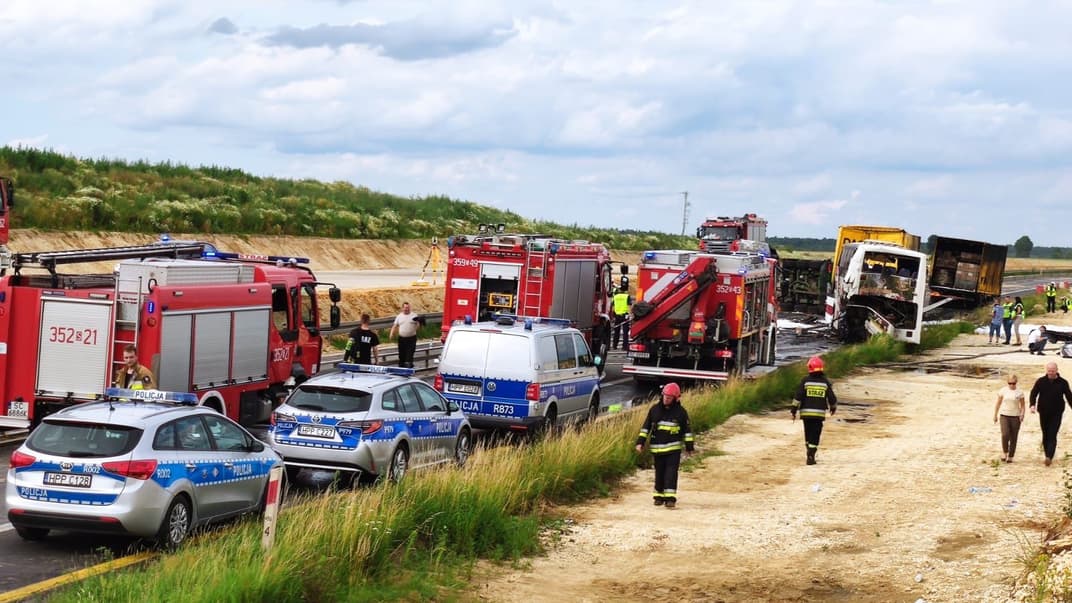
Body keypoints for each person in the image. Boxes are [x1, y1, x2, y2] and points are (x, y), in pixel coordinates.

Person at [635, 382, 694, 508]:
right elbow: (646, 428)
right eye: (665, 396)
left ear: (675, 398)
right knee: (659, 473)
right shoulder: (654, 410)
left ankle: (670, 499)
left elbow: (687, 431)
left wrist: (689, 447)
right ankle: (658, 496)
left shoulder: (681, 412)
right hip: (657, 449)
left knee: (671, 473)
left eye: (669, 397)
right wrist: (640, 442)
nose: (666, 399)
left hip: (673, 449)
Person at [791, 356, 838, 465]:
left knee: (808, 432)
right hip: (818, 415)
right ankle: (811, 454)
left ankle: (808, 448)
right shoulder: (825, 382)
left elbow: (798, 396)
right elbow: (832, 397)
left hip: (806, 414)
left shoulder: (805, 381)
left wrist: (793, 409)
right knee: (815, 433)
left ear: (810, 368)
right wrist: (833, 407)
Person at [1029, 362, 1072, 466]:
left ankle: (1049, 456)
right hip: (1043, 412)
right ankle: (1047, 454)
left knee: (1052, 434)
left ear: (1057, 370)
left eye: (1053, 371)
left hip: (1057, 412)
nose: (1051, 373)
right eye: (1049, 371)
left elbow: (1069, 396)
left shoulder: (1063, 382)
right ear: (1046, 371)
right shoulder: (1041, 381)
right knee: (1045, 434)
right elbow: (1033, 393)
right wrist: (1032, 405)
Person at [993, 373, 1026, 462]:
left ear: (1016, 382)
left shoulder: (1020, 392)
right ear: (1007, 382)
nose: (1011, 385)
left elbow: (1023, 405)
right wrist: (995, 415)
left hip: (1015, 416)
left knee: (1013, 437)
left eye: (1013, 383)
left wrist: (1022, 414)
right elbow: (998, 403)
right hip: (1004, 415)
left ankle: (1011, 455)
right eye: (1010, 383)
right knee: (1005, 434)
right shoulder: (1003, 391)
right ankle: (1005, 452)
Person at [389, 302, 420, 368]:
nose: (407, 309)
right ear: (402, 308)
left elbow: (418, 326)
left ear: (410, 308)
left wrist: (419, 324)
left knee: (410, 354)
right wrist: (391, 333)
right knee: (401, 354)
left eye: (408, 307)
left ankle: (409, 367)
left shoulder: (414, 315)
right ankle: (401, 367)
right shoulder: (399, 316)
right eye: (405, 307)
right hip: (402, 339)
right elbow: (395, 326)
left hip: (411, 338)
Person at [611, 286, 632, 351]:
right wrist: (629, 314)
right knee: (625, 332)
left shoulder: (615, 297)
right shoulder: (627, 296)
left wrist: (614, 315)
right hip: (625, 316)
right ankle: (624, 347)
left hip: (617, 316)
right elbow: (629, 306)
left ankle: (614, 345)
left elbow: (613, 307)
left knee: (616, 331)